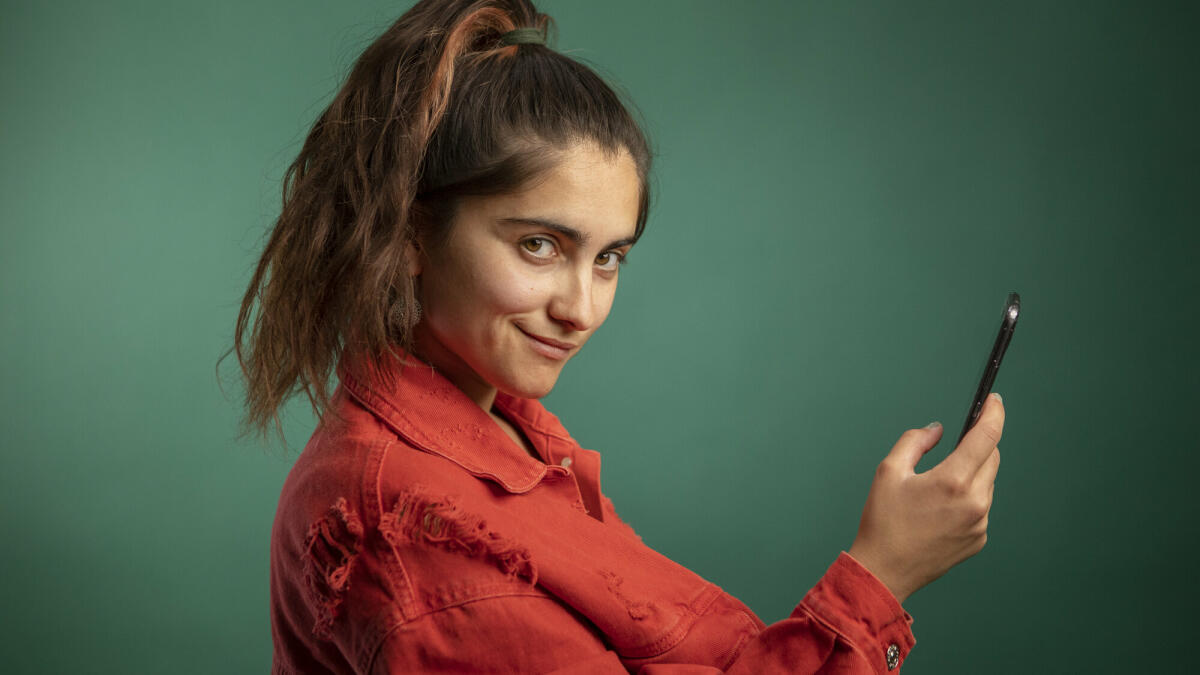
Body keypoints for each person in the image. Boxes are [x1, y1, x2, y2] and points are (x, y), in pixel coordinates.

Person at [230, 0, 1005, 672]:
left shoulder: (503, 438)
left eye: (608, 259)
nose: (582, 307)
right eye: (539, 244)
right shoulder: (414, 526)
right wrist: (882, 576)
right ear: (410, 235)